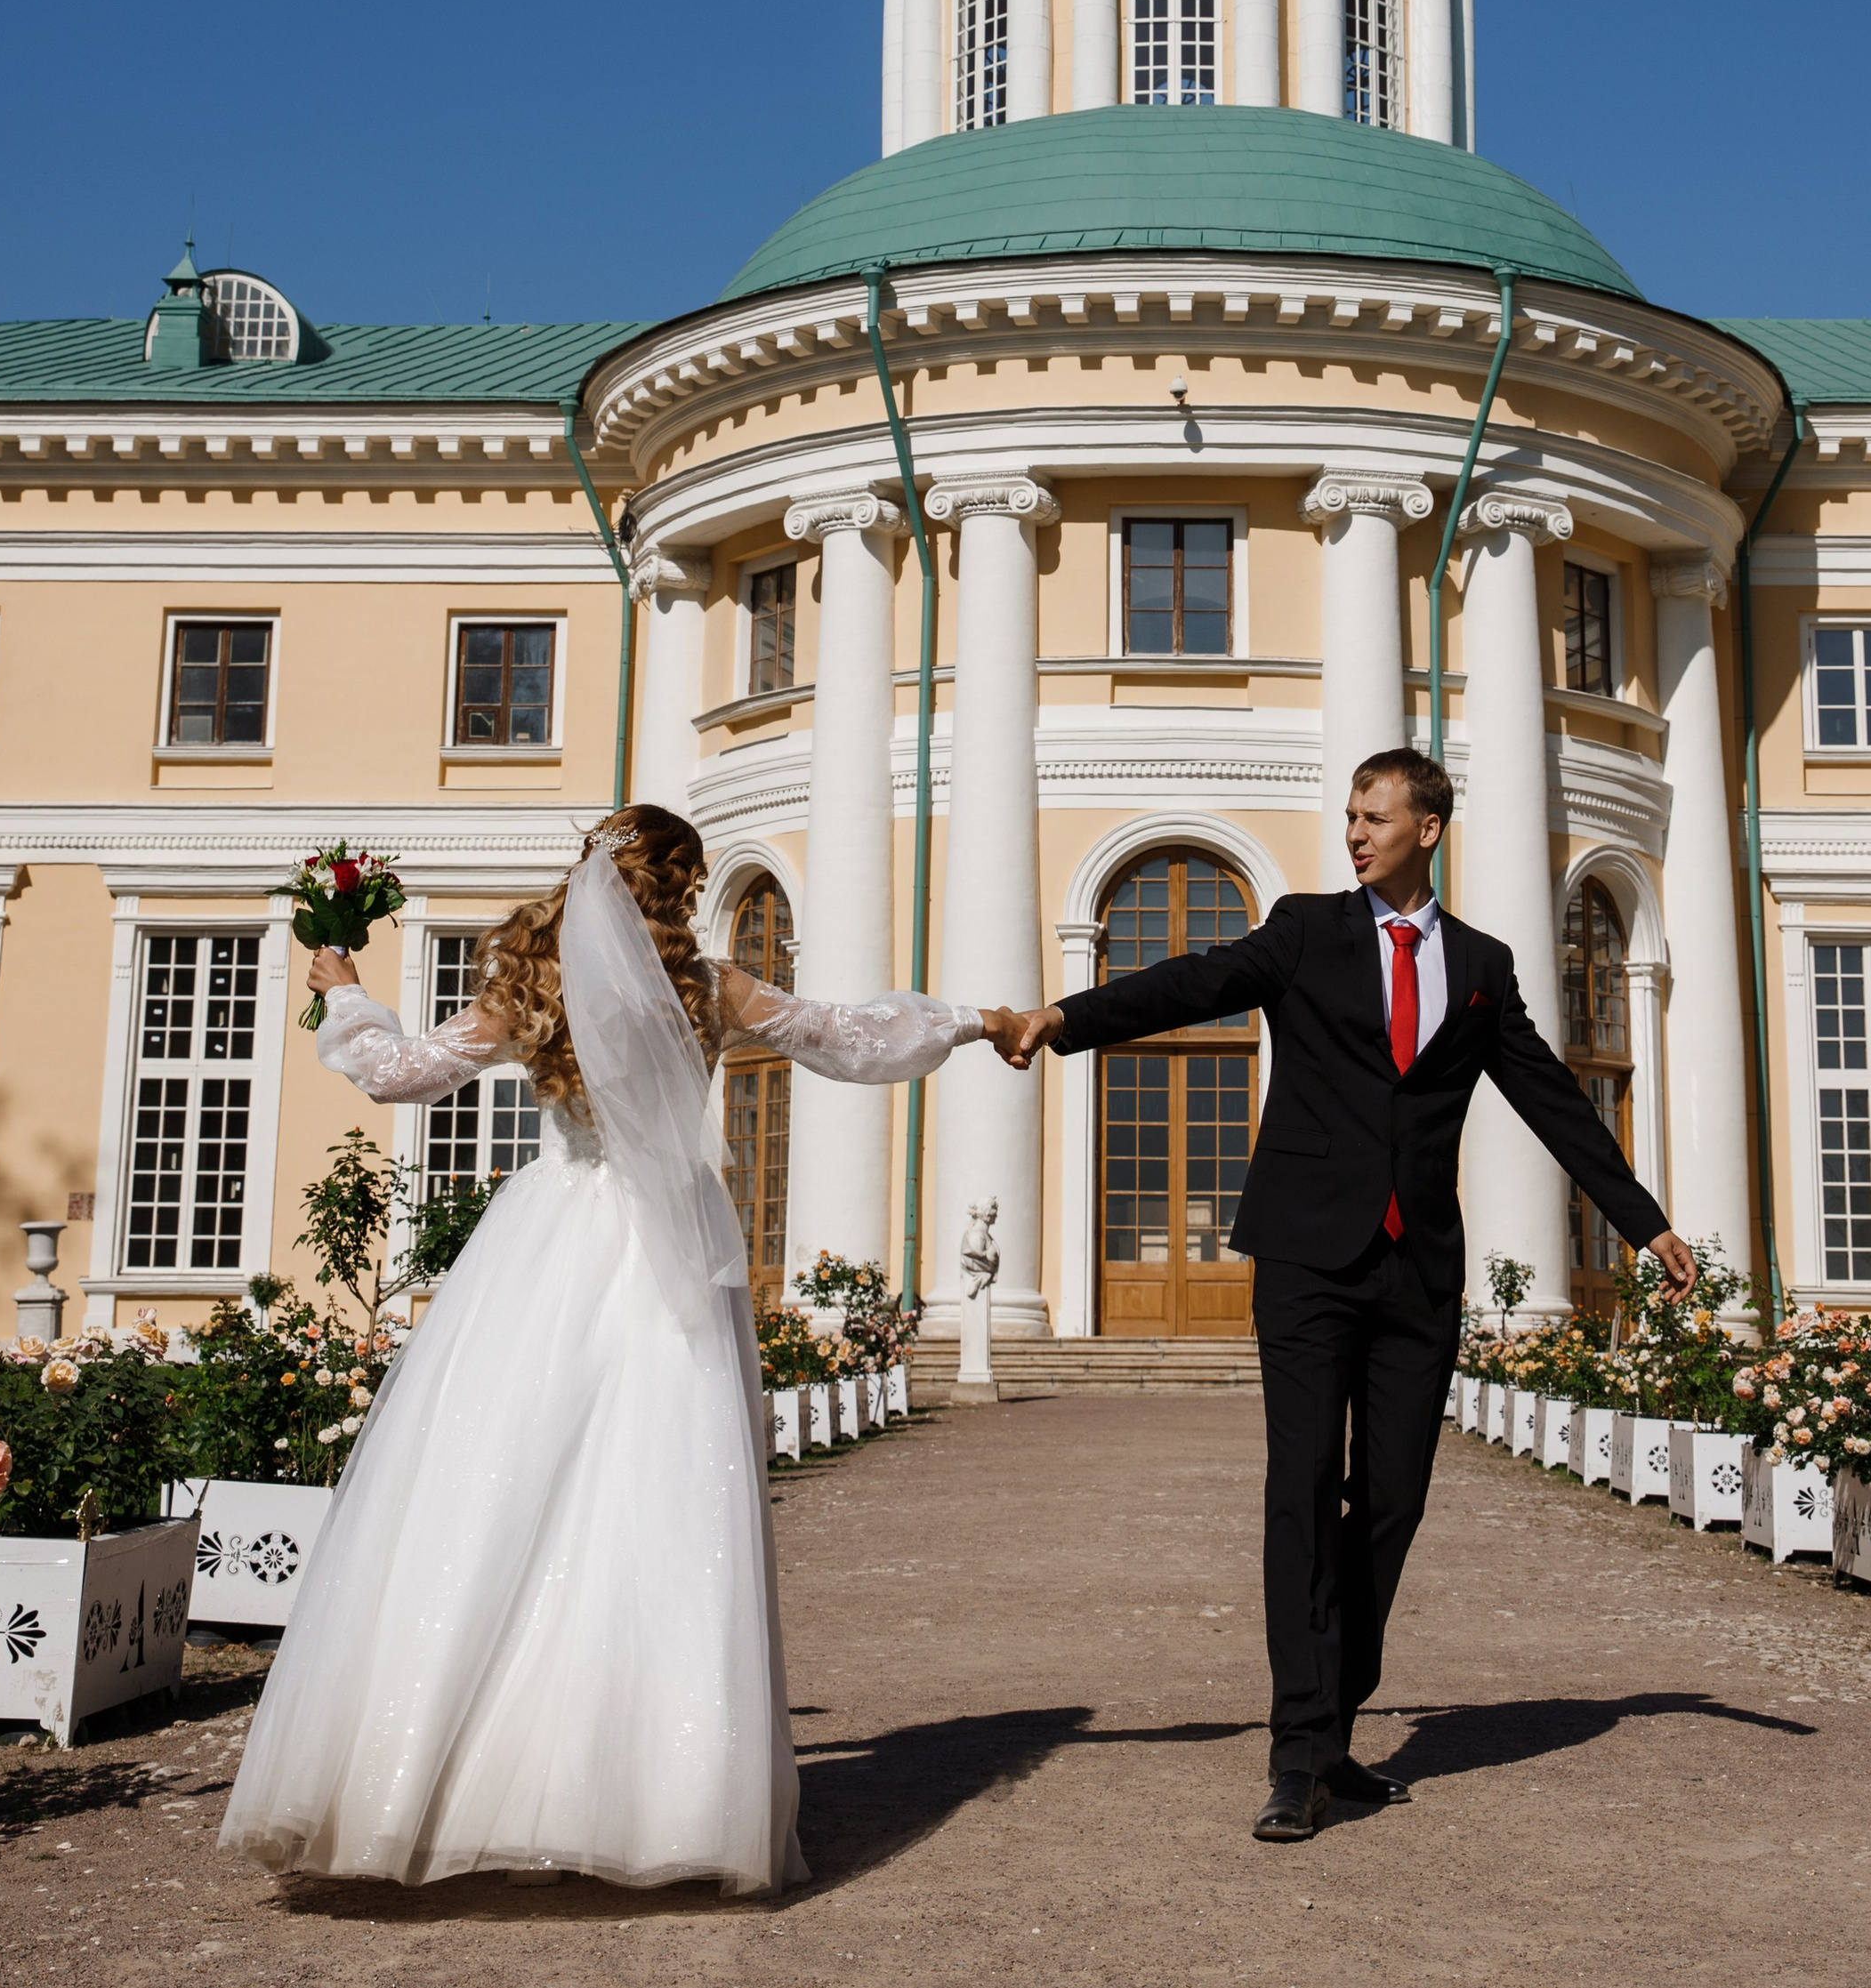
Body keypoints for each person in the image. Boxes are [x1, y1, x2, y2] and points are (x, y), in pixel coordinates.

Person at [220, 803, 991, 1893]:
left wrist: (339, 983)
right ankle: (661, 1797)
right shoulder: (709, 986)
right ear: (679, 890)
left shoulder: (531, 988)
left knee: (492, 1499)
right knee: (659, 1500)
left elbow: (397, 1072)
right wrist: (973, 1020)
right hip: (669, 1246)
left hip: (552, 1240)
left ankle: (428, 1780)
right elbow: (849, 1037)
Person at [996, 750, 1695, 1844]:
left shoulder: (1478, 963)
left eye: (1374, 818)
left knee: (1394, 1502)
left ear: (1428, 827)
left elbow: (1549, 1096)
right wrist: (1061, 1018)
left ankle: (1334, 1720)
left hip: (1417, 1267)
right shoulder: (1305, 930)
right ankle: (1298, 1748)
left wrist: (1640, 1218)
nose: (1355, 834)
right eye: (1350, 817)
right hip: (1308, 1258)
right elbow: (1191, 981)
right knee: (1301, 1488)